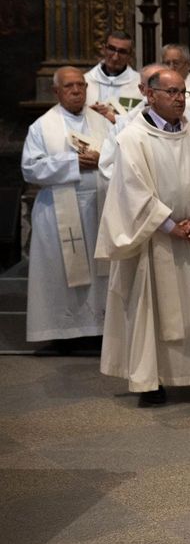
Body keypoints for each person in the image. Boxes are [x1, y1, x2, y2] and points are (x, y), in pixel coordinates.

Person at [95, 69, 190, 406]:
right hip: (153, 242)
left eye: (183, 92)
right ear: (150, 95)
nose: (179, 98)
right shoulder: (133, 138)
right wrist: (170, 225)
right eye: (171, 92)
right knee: (152, 311)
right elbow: (132, 191)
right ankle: (151, 382)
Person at [21, 67, 111, 346]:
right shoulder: (41, 127)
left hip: (99, 207)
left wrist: (103, 160)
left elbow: (122, 158)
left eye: (81, 85)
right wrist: (72, 163)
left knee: (100, 273)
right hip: (58, 212)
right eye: (70, 86)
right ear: (56, 91)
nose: (76, 91)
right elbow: (30, 168)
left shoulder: (103, 123)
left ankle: (100, 329)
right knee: (60, 272)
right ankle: (62, 333)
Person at [83, 31, 140, 122]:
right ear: (104, 49)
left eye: (122, 52)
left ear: (130, 55)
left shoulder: (139, 84)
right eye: (112, 49)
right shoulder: (85, 81)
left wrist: (117, 118)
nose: (115, 57)